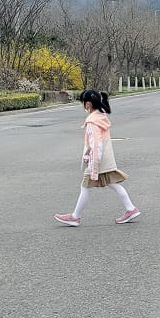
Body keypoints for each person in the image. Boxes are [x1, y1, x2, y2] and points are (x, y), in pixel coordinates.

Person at [54, 90, 140, 227]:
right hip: (105, 159)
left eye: (83, 103)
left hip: (97, 160)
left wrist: (93, 163)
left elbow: (96, 144)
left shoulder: (92, 122)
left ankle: (75, 217)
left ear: (88, 104)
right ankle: (130, 208)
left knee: (85, 186)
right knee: (112, 184)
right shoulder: (101, 116)